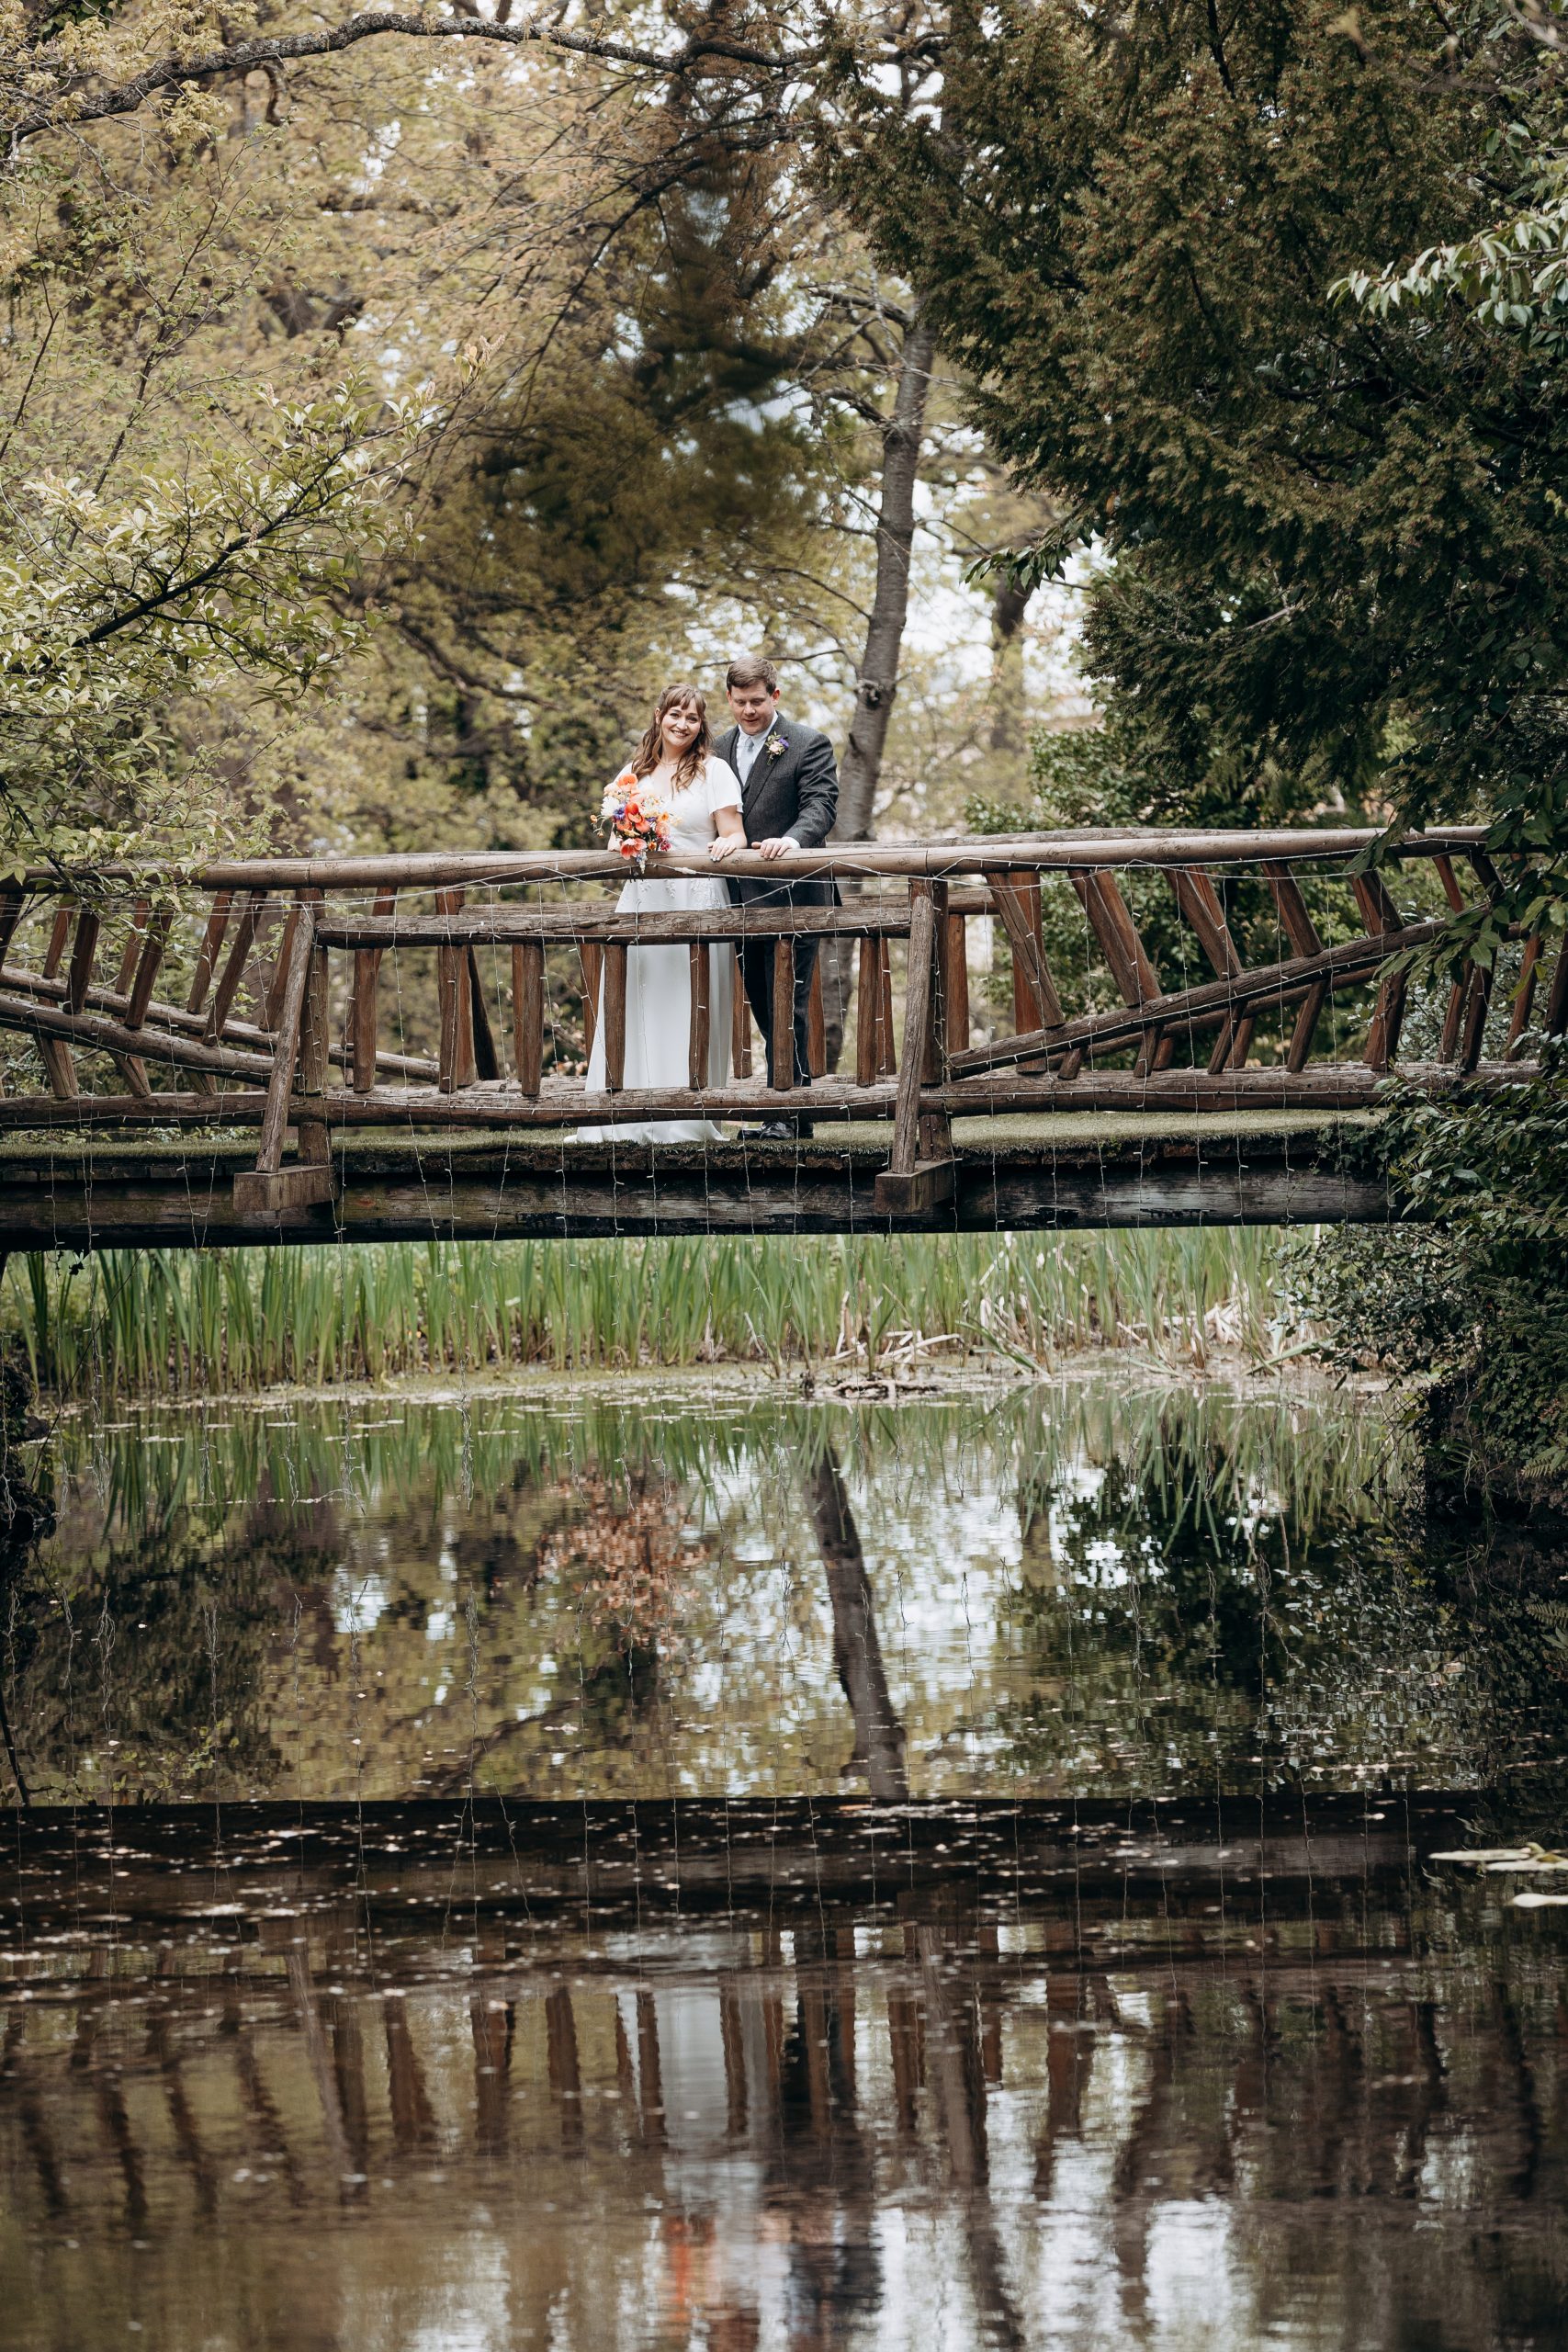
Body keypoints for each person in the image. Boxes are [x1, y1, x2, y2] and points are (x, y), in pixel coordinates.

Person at [576, 684, 746, 1145]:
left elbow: (735, 833)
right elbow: (614, 840)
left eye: (692, 718)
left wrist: (726, 844)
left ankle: (687, 1114)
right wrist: (628, 837)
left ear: (701, 725)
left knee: (690, 999)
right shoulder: (634, 773)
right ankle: (622, 1111)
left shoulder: (714, 771)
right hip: (644, 899)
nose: (682, 725)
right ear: (659, 716)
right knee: (639, 996)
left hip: (697, 896)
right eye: (675, 714)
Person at [708, 654, 840, 1140]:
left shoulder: (807, 742)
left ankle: (785, 1116)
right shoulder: (716, 749)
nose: (749, 711)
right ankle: (791, 1114)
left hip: (793, 897)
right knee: (765, 1008)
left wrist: (794, 840)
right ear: (729, 698)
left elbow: (821, 805)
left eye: (757, 701)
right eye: (740, 702)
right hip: (738, 901)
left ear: (775, 696)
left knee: (790, 1006)